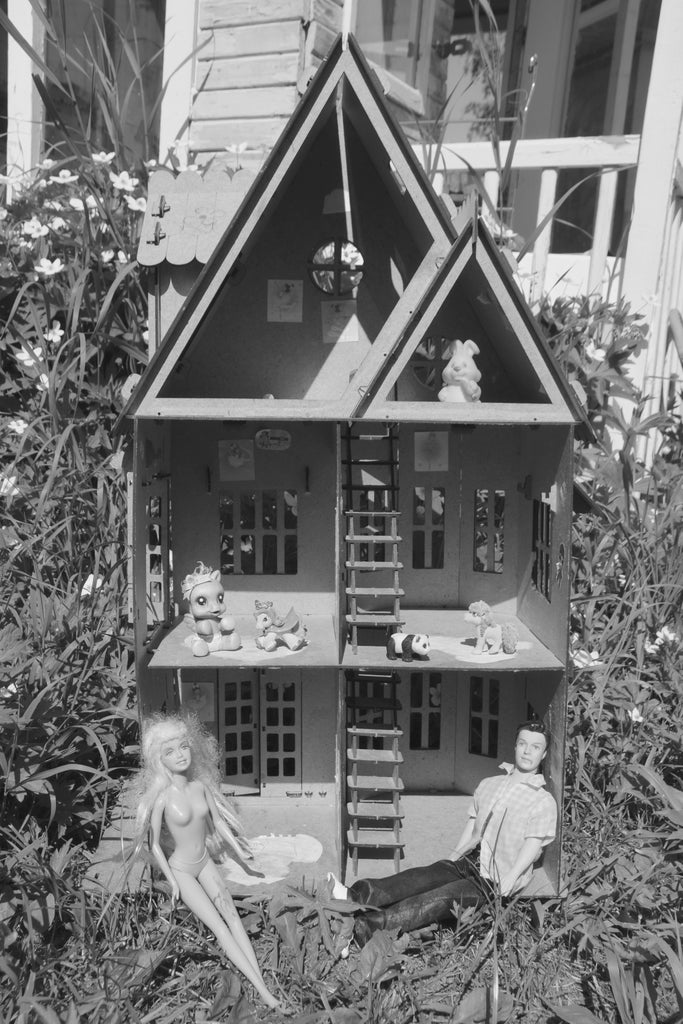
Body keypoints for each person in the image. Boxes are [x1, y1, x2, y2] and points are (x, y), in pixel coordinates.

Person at [331, 721, 557, 943]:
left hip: (496, 876)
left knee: (437, 900)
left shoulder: (542, 800)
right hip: (469, 860)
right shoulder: (490, 783)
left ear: (544, 754)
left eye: (535, 747)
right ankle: (354, 896)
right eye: (522, 744)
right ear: (515, 746)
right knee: (418, 878)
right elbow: (472, 824)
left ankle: (364, 928)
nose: (527, 751)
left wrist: (511, 877)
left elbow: (533, 843)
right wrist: (454, 856)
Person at [130, 713, 281, 1010]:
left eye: (184, 746)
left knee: (233, 917)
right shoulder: (162, 799)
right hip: (182, 870)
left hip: (204, 861)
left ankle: (259, 981)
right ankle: (264, 992)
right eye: (170, 751)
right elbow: (154, 845)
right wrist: (172, 880)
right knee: (220, 928)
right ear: (160, 760)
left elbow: (219, 823)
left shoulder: (200, 787)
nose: (180, 755)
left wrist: (240, 851)